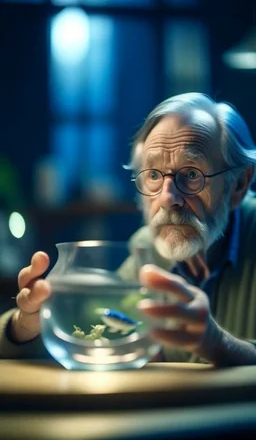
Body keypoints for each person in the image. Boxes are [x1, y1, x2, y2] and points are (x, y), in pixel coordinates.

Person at [1, 92, 256, 366]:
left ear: (238, 185)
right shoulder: (147, 249)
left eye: (192, 175)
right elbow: (90, 332)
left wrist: (217, 344)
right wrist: (26, 324)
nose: (168, 198)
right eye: (154, 176)